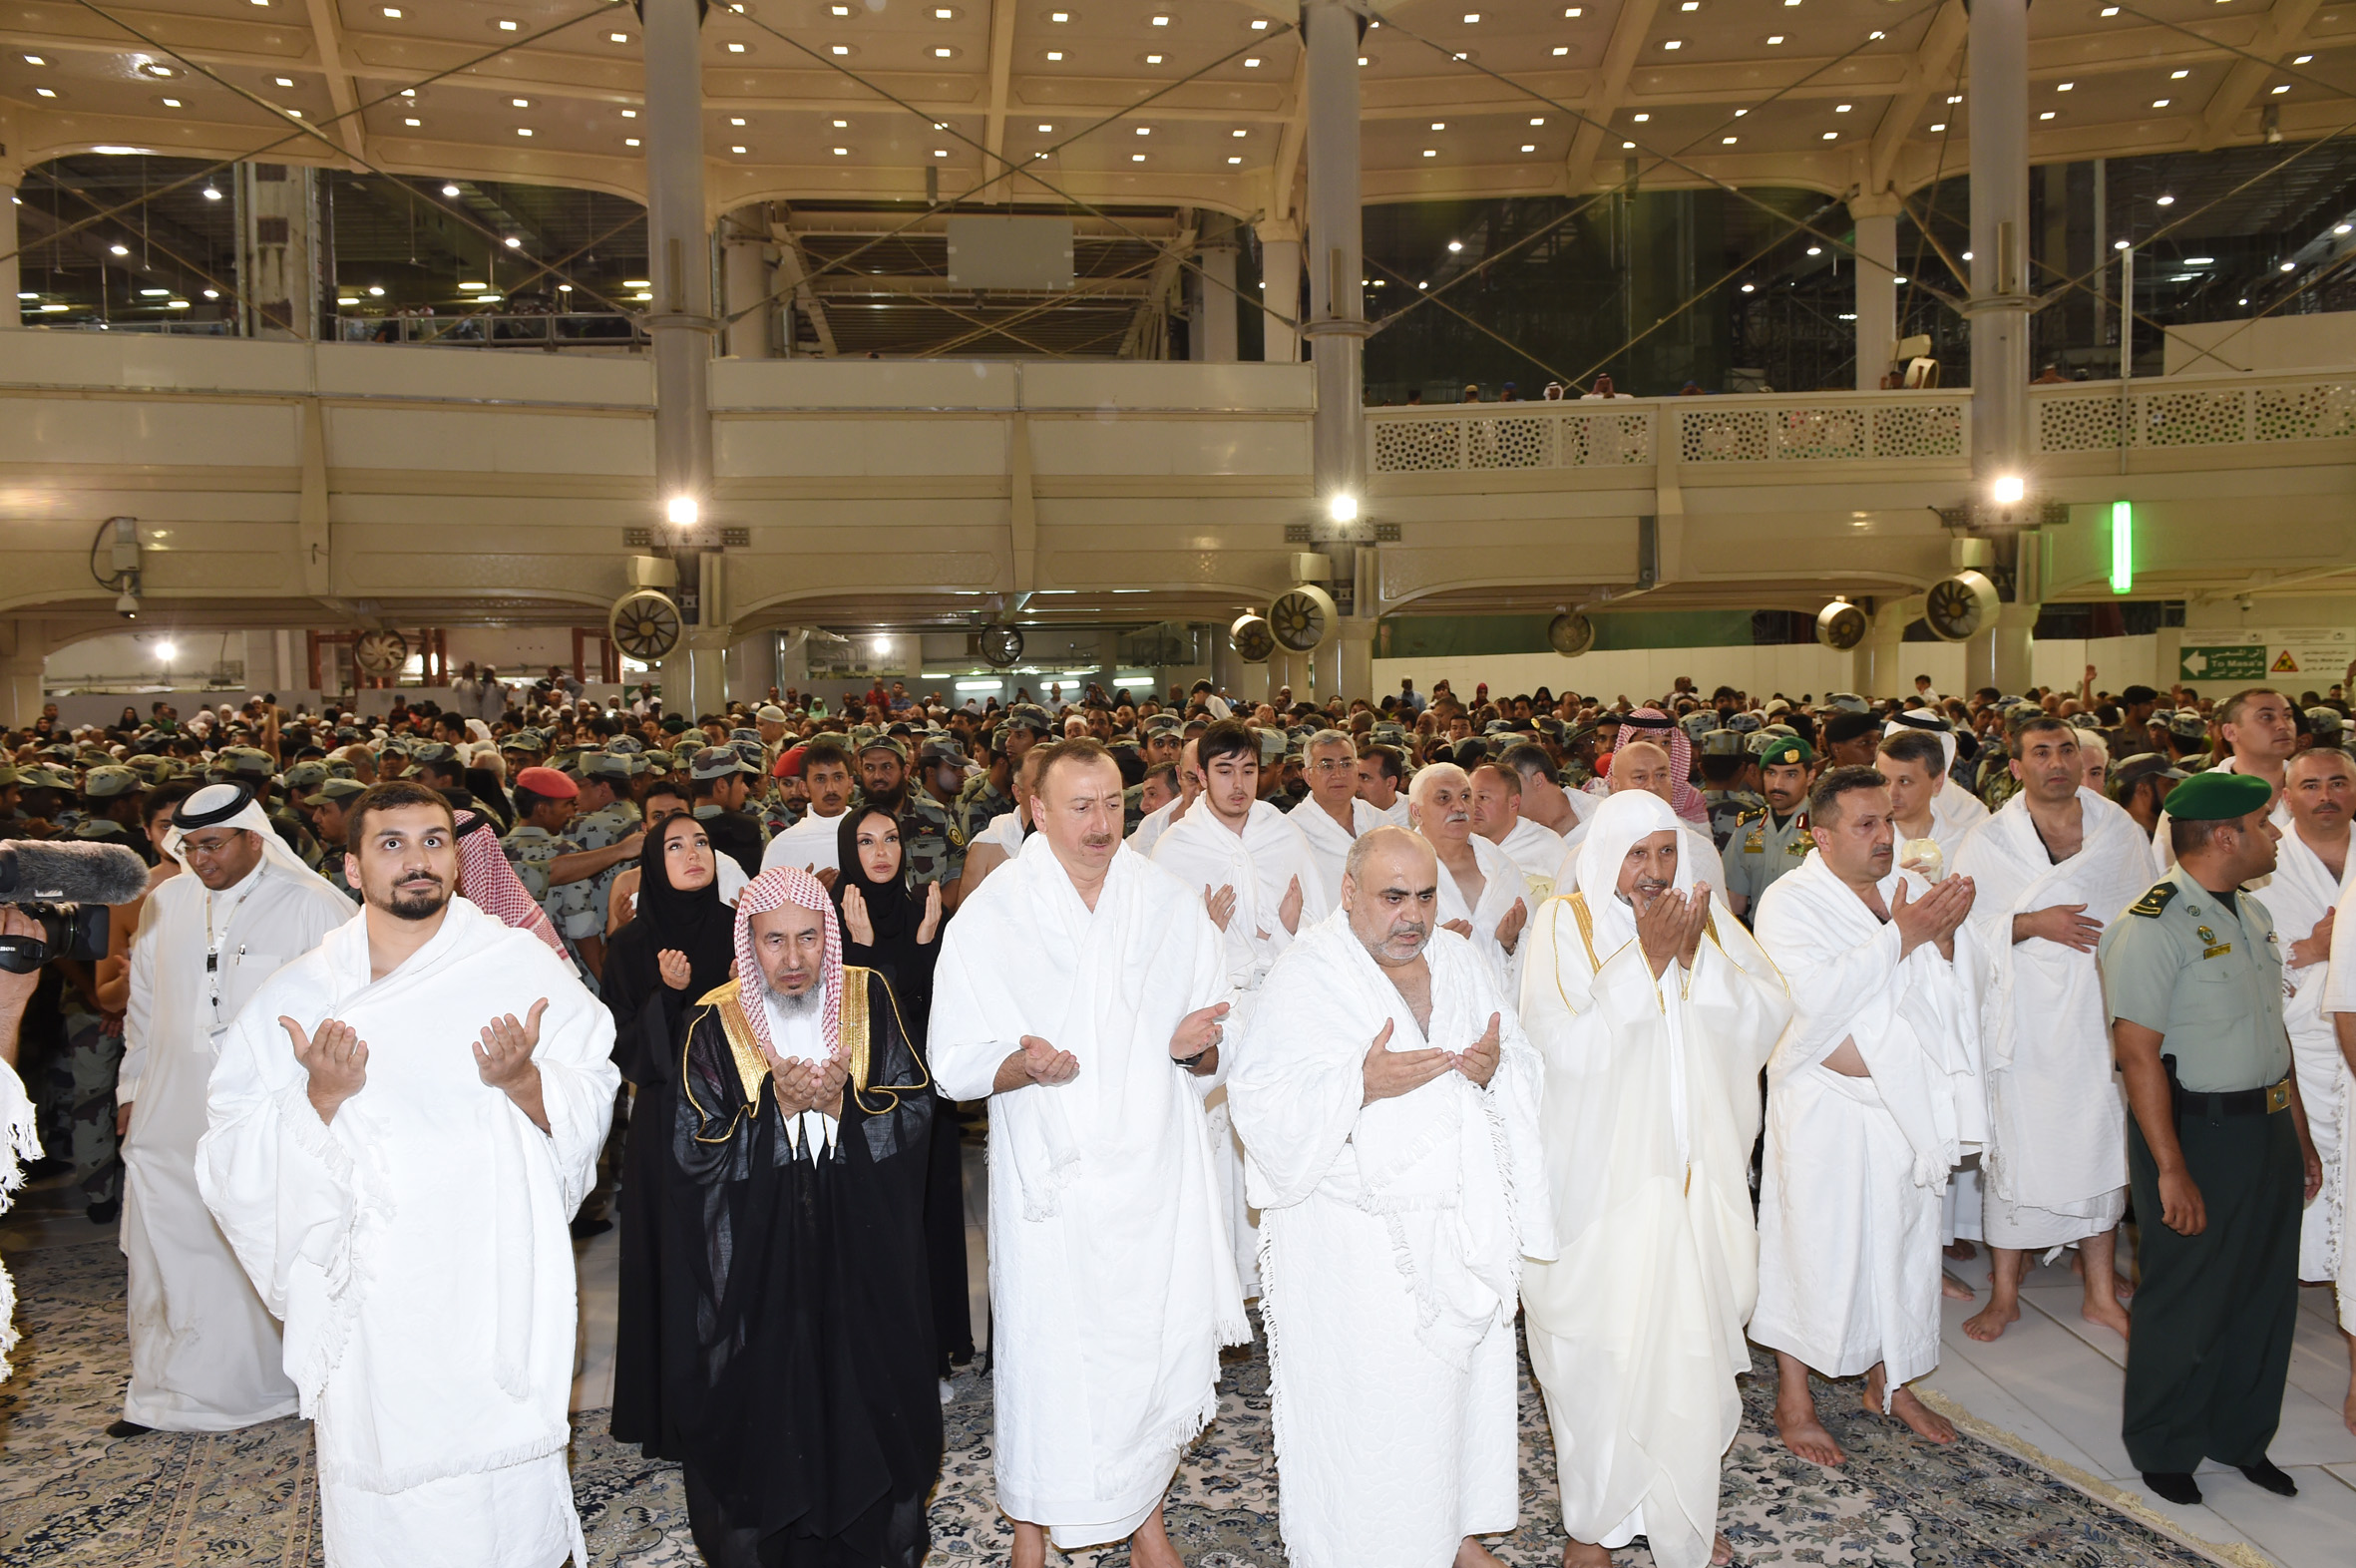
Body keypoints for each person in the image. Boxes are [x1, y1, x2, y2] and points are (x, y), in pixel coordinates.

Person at [196, 780, 619, 1567]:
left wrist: (528, 1083)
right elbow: (229, 1151)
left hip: (493, 1276)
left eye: (433, 841)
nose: (416, 861)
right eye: (391, 844)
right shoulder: (303, 991)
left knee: (500, 1506)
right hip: (379, 1300)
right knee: (394, 1504)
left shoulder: (513, 962)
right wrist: (318, 1099)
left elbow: (592, 1077)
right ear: (354, 868)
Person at [929, 739, 1244, 1568]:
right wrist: (1018, 1065)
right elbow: (953, 1062)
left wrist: (1194, 1049)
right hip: (1055, 1186)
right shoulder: (994, 915)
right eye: (1080, 806)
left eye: (1112, 804)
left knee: (1145, 1351)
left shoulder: (1167, 903)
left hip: (1152, 1173)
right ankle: (1030, 1531)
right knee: (1047, 1362)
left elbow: (1223, 1037)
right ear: (1037, 809)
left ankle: (1146, 1523)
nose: (1102, 824)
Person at [1227, 826, 1550, 1568]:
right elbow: (1262, 1103)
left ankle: (1453, 1534)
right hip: (1359, 1245)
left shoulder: (1463, 960)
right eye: (1393, 897)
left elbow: (1523, 1057)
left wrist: (1495, 1068)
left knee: (1456, 1401)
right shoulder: (1309, 973)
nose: (1413, 915)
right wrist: (1359, 1085)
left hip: (1457, 1224)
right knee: (1377, 1411)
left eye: (1427, 896)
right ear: (1349, 894)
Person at [1519, 792, 1791, 1568]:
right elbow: (1559, 1050)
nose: (1653, 871)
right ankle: (1593, 1529)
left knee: (1690, 1352)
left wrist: (1694, 956)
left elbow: (1768, 1012)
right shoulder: (1562, 926)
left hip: (1694, 1189)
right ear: (1606, 855)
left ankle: (1680, 1511)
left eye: (1665, 852)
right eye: (1636, 854)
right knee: (1600, 1361)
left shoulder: (1702, 918)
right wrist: (1642, 961)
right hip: (1605, 1197)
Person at [655, 866, 941, 1565]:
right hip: (763, 1253)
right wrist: (772, 1114)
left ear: (829, 937)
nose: (792, 959)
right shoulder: (714, 1019)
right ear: (748, 945)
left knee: (867, 1393)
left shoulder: (868, 996)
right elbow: (692, 1149)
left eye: (808, 938)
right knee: (768, 1406)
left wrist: (848, 1108)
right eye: (774, 941)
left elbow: (918, 1104)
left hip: (860, 1237)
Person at [1750, 766, 1983, 1465]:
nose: (1886, 837)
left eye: (1889, 820)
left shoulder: (1900, 890)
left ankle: (1894, 1379)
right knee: (1812, 1250)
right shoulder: (1789, 903)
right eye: (1866, 825)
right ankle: (1795, 1396)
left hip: (1900, 1110)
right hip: (1828, 1113)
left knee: (1907, 1248)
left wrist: (1942, 938)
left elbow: (1937, 992)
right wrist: (1902, 937)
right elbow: (1810, 1007)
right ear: (1821, 836)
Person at [2101, 771, 2320, 1505]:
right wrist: (2169, 1170)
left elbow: (2271, 1033)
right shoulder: (2151, 923)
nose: (2276, 833)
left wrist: (2302, 1136)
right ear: (2224, 836)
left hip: (2266, 1128)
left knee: (2264, 1293)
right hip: (2197, 1133)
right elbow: (2137, 1054)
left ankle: (2241, 1436)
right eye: (2265, 822)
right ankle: (2165, 1445)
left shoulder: (2250, 914)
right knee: (2187, 1293)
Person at [114, 782, 356, 1437]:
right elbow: (143, 1005)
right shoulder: (165, 902)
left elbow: (352, 1011)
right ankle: (171, 1391)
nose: (200, 859)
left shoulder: (313, 906)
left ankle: (272, 1383)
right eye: (188, 845)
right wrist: (131, 1090)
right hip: (171, 1105)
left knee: (258, 1240)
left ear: (254, 837)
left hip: (269, 1111)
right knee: (170, 1239)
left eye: (213, 844)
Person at [1949, 716, 2151, 1343]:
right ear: (2016, 767)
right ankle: (2005, 1293)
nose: (2057, 762)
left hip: (2097, 1013)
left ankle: (2097, 1291)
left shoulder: (2119, 831)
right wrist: (2033, 923)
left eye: (2067, 750)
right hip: (2024, 1022)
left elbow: (2149, 910)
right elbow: (1960, 931)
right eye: (2041, 752)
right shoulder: (1989, 841)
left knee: (2098, 1139)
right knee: (2020, 1146)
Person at [601, 812, 738, 1461]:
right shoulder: (632, 946)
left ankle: (746, 1397)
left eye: (702, 843)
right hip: (667, 1127)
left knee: (738, 1258)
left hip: (742, 1119)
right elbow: (622, 1048)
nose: (693, 854)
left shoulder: (741, 928)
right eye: (676, 845)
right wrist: (668, 995)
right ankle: (678, 1412)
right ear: (654, 862)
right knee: (677, 1263)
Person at [829, 803, 969, 1381]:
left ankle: (932, 1356)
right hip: (860, 1100)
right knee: (876, 1225)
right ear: (847, 852)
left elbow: (942, 1011)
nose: (881, 852)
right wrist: (863, 950)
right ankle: (881, 1358)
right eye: (865, 842)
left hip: (925, 1097)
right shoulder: (829, 924)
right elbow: (855, 1018)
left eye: (890, 839)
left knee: (928, 1217)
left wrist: (931, 941)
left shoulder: (923, 913)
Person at [2277, 749, 2356, 1432]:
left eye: (2339, 783)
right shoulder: (2265, 861)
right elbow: (2241, 959)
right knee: (2307, 1181)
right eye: (2312, 785)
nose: (2326, 795)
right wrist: (2313, 947)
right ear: (2289, 794)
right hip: (2300, 1044)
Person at [1411, 762, 1529, 991]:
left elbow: (1535, 940)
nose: (1459, 806)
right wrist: (1434, 948)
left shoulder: (1500, 864)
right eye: (1444, 798)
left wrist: (1511, 943)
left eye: (1466, 796)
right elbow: (1376, 950)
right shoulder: (1398, 869)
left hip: (1505, 1010)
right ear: (1416, 812)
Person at [2157, 687, 2297, 867]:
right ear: (2230, 732)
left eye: (2288, 716)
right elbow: (2165, 869)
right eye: (2266, 717)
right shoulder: (2197, 796)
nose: (2283, 725)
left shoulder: (2320, 788)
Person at [1721, 735, 1813, 922]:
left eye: (1791, 774)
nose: (1778, 784)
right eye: (1771, 773)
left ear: (1810, 777)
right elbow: (1735, 898)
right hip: (1757, 939)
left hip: (1808, 943)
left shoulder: (1823, 828)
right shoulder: (1749, 828)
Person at [1288, 728, 1383, 901]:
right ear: (1307, 776)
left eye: (1346, 764)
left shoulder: (1379, 820)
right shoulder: (1291, 829)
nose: (1338, 774)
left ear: (1357, 769)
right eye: (1327, 766)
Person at [1470, 759, 1565, 901]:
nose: (1473, 806)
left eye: (1483, 798)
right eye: (1467, 797)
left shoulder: (1546, 845)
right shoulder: (1456, 845)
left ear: (1513, 803)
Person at [762, 738, 855, 880]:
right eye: (820, 779)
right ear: (804, 788)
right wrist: (810, 895)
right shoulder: (782, 846)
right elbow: (768, 900)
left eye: (838, 777)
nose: (830, 788)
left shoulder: (872, 835)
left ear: (850, 784)